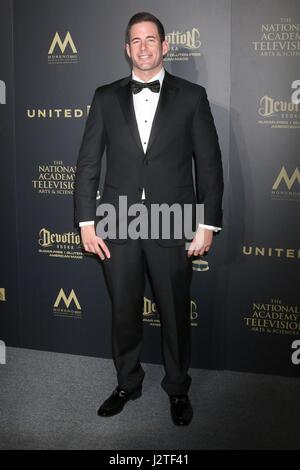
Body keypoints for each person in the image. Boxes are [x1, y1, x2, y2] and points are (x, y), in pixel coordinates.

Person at [74, 12, 223, 426]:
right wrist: (87, 222)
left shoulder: (192, 96)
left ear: (165, 46)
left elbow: (209, 165)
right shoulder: (104, 96)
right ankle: (128, 382)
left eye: (150, 39)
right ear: (127, 49)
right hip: (116, 218)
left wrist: (206, 224)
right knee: (124, 311)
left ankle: (177, 388)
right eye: (135, 40)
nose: (143, 47)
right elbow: (88, 162)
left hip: (172, 218)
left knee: (175, 312)